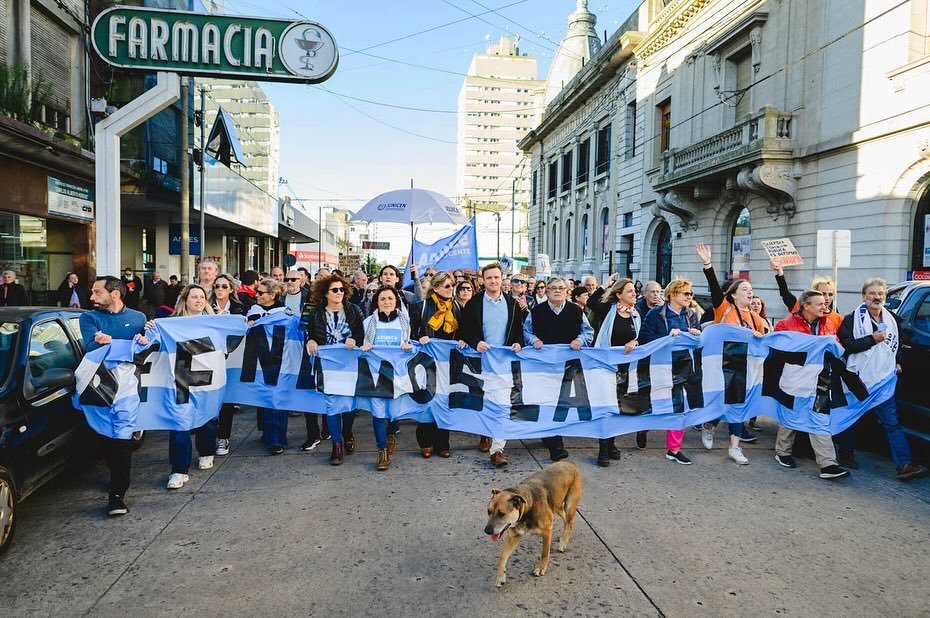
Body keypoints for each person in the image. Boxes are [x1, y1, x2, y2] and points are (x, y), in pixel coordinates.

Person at [837, 278, 928, 481]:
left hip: (884, 380)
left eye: (880, 294)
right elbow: (847, 346)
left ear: (885, 297)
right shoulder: (852, 319)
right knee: (853, 418)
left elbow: (897, 347)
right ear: (864, 296)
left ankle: (904, 465)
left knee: (892, 423)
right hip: (859, 379)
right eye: (872, 293)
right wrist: (871, 340)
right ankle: (845, 453)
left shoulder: (893, 320)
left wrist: (898, 362)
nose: (877, 297)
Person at [137, 285, 218, 490]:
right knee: (179, 422)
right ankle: (179, 470)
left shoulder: (215, 323)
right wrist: (147, 334)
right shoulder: (170, 323)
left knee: (207, 418)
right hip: (178, 378)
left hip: (207, 378)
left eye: (202, 297)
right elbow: (153, 343)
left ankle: (207, 450)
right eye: (194, 297)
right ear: (185, 300)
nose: (199, 300)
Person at [79, 276, 146, 516]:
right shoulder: (89, 318)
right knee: (105, 438)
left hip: (127, 389)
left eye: (97, 292)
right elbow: (88, 348)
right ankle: (112, 473)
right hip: (99, 388)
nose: (92, 297)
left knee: (122, 439)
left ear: (115, 294)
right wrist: (98, 343)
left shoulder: (138, 318)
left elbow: (146, 352)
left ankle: (117, 495)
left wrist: (145, 340)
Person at [695, 243, 765, 464]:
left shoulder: (757, 319)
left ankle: (734, 447)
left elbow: (763, 343)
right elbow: (715, 288)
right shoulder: (724, 308)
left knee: (738, 405)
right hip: (722, 363)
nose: (749, 292)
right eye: (744, 289)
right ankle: (709, 425)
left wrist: (759, 337)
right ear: (733, 295)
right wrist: (708, 264)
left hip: (745, 366)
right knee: (721, 403)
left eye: (751, 289)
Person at [771, 290, 850, 480]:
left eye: (825, 303)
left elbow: (836, 348)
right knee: (790, 416)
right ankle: (782, 452)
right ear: (806, 306)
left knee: (820, 418)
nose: (825, 306)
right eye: (820, 304)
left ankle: (828, 464)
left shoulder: (829, 324)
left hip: (821, 379)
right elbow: (776, 348)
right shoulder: (785, 324)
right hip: (795, 379)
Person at [459, 262, 526, 466]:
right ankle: (486, 434)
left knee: (502, 405)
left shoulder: (512, 304)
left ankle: (497, 450)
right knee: (485, 404)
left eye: (496, 277)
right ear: (483, 280)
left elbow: (518, 331)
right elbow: (464, 331)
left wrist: (518, 343)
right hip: (481, 363)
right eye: (489, 278)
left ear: (502, 278)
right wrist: (475, 341)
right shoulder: (474, 303)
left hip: (503, 363)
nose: (493, 281)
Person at [523, 276, 594, 462]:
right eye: (553, 288)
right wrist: (533, 340)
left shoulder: (576, 311)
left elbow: (588, 332)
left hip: (568, 365)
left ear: (567, 291)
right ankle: (555, 444)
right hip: (543, 365)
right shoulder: (537, 311)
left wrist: (580, 340)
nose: (557, 291)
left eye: (561, 288)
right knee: (546, 400)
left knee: (560, 402)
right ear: (546, 291)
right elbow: (526, 331)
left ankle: (553, 437)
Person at [637, 277, 704, 465]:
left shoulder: (691, 315)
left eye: (691, 293)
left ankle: (674, 449)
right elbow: (644, 339)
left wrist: (697, 335)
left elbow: (699, 340)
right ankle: (643, 429)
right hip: (660, 367)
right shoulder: (656, 314)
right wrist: (666, 336)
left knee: (679, 407)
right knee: (655, 404)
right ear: (673, 294)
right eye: (686, 293)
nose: (690, 296)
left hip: (683, 367)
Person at [305, 274, 365, 465]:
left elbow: (362, 334)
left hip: (350, 364)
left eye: (341, 289)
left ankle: (347, 431)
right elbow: (310, 334)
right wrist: (311, 340)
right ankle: (336, 444)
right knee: (332, 405)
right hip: (328, 365)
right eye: (334, 290)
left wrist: (355, 339)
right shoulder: (316, 313)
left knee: (348, 405)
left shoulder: (354, 310)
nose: (339, 293)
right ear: (325, 293)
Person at [361, 286, 413, 471]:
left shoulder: (405, 322)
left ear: (396, 301)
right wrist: (364, 345)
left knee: (393, 413)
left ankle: (391, 434)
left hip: (397, 376)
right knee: (378, 413)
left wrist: (410, 346)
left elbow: (412, 345)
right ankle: (382, 451)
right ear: (377, 301)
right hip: (375, 376)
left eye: (390, 298)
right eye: (382, 299)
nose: (387, 302)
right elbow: (361, 345)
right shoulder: (368, 323)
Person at [590, 278, 641, 466]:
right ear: (619, 294)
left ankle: (611, 443)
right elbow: (591, 302)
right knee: (606, 408)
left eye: (634, 291)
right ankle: (603, 448)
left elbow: (641, 337)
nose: (634, 294)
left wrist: (635, 342)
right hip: (605, 368)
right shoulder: (608, 311)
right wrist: (605, 284)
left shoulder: (636, 314)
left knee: (618, 408)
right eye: (629, 291)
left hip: (626, 370)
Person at [410, 272, 461, 459]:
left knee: (444, 401)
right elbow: (411, 331)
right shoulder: (421, 306)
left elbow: (461, 330)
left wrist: (462, 341)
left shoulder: (456, 307)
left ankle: (442, 443)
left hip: (448, 362)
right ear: (436, 287)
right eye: (447, 286)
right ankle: (425, 441)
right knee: (427, 400)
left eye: (452, 285)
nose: (451, 289)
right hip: (426, 362)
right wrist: (419, 337)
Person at [247, 278, 291, 455]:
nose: (256, 295)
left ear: (272, 295)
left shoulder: (285, 313)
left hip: (278, 361)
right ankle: (267, 433)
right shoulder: (253, 311)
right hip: (257, 360)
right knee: (264, 398)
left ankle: (277, 439)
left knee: (276, 399)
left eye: (260, 293)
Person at [211, 274, 247, 457]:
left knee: (227, 400)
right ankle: (208, 437)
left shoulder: (239, 308)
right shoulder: (206, 306)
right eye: (217, 286)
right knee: (210, 399)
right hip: (210, 358)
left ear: (231, 289)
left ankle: (223, 437)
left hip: (232, 359)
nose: (219, 289)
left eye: (224, 286)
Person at [771, 259, 844, 333]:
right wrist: (780, 272)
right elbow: (785, 294)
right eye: (823, 293)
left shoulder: (837, 318)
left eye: (830, 294)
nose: (827, 298)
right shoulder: (800, 307)